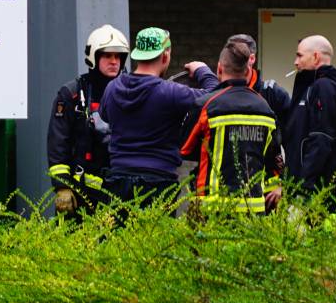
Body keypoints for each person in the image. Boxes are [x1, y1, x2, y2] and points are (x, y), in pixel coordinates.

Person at [100, 27, 218, 207]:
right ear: (165, 56)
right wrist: (202, 70)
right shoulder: (170, 92)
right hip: (158, 183)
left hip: (118, 180)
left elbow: (105, 116)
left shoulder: (112, 88)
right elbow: (215, 95)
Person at [180, 41, 279, 215]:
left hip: (212, 211)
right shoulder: (266, 109)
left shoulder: (206, 106)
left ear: (219, 69)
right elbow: (273, 160)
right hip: (254, 212)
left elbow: (185, 149)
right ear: (248, 71)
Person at [265, 35, 336, 215]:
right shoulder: (316, 87)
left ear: (315, 57)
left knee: (321, 240)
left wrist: (295, 187)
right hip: (316, 190)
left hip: (322, 193)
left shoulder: (325, 87)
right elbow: (300, 143)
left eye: (299, 56)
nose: (295, 62)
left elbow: (320, 142)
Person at [47, 24, 130, 218]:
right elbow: (58, 143)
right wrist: (62, 187)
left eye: (118, 56)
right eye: (107, 56)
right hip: (81, 193)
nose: (114, 61)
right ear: (93, 57)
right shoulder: (72, 94)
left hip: (123, 191)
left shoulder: (130, 92)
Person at [225, 34, 291, 200]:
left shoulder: (272, 94)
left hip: (269, 190)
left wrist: (284, 184)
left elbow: (294, 142)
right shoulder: (218, 95)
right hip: (226, 189)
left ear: (251, 58)